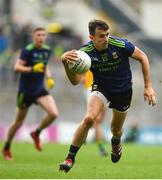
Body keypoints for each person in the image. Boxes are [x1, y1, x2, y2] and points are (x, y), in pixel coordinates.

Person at [59, 19, 157, 173]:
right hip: (101, 88)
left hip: (123, 91)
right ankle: (70, 158)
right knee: (89, 118)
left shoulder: (120, 45)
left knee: (116, 130)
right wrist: (65, 63)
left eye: (107, 34)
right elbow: (75, 81)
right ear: (91, 37)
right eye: (101, 36)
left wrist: (148, 86)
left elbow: (143, 57)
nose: (106, 39)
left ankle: (115, 142)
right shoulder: (84, 53)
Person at [2, 27, 59, 160]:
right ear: (33, 37)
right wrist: (32, 68)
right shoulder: (27, 51)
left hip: (39, 90)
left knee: (54, 113)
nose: (41, 37)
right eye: (38, 35)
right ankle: (6, 147)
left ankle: (36, 133)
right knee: (18, 123)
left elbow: (45, 66)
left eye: (43, 35)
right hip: (26, 91)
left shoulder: (46, 50)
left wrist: (49, 77)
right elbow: (17, 67)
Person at [81, 70, 108, 156]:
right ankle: (101, 148)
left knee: (99, 120)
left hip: (106, 87)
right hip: (92, 88)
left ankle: (84, 132)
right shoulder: (88, 57)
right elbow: (79, 74)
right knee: (96, 120)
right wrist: (84, 78)